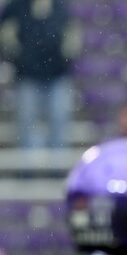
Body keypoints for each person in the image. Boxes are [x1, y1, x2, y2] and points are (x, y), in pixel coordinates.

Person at [0, 0, 78, 149]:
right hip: (27, 77)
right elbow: (6, 37)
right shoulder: (16, 6)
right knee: (25, 126)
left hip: (57, 75)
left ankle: (58, 170)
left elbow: (71, 35)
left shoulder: (60, 5)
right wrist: (20, 60)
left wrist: (64, 58)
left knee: (59, 123)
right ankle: (26, 170)